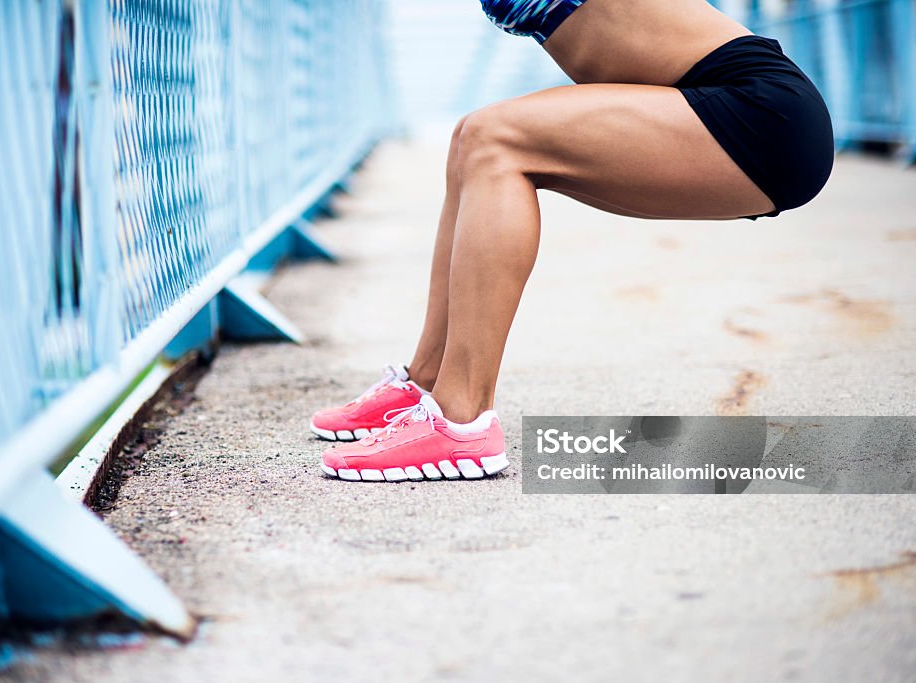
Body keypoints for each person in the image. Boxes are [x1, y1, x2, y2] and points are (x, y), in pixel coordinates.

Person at [311, 0, 834, 482]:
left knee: (496, 140)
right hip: (726, 108)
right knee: (472, 138)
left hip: (758, 112)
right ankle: (425, 381)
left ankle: (460, 420)